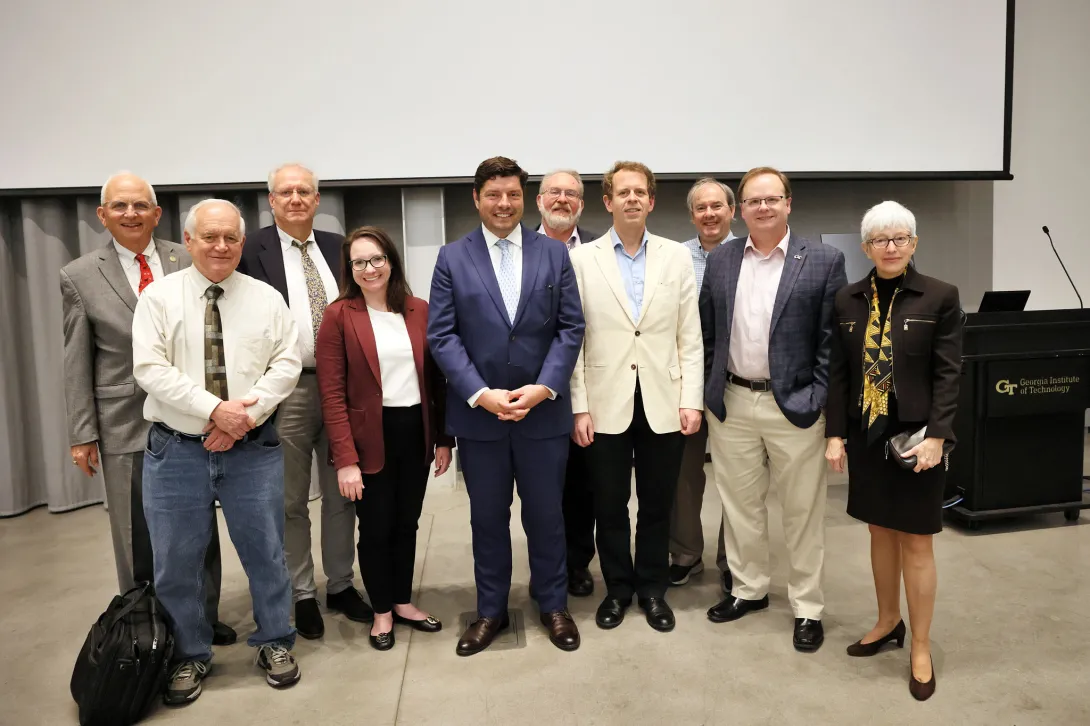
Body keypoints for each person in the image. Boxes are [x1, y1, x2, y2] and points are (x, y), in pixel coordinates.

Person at [133, 199, 302, 705]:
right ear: (188, 241)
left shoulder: (268, 299)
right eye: (210, 236)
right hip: (175, 453)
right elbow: (151, 369)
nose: (221, 246)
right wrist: (215, 410)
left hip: (252, 450)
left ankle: (275, 641)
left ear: (242, 242)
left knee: (268, 553)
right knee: (176, 563)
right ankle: (189, 653)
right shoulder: (158, 299)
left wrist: (242, 418)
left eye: (231, 237)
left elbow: (286, 365)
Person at [60, 172, 234, 645]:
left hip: (190, 416)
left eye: (141, 205)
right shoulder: (78, 275)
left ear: (159, 214)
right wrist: (82, 432)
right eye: (120, 206)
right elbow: (77, 359)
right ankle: (144, 628)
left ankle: (204, 615)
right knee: (136, 533)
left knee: (199, 524)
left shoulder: (190, 255)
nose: (131, 214)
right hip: (124, 423)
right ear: (102, 215)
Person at [427, 156, 585, 656]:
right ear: (477, 198)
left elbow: (570, 328)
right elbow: (443, 335)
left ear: (525, 198)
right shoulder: (452, 257)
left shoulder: (554, 255)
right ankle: (490, 610)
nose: (504, 204)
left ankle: (553, 605)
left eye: (513, 195)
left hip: (543, 415)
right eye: (494, 195)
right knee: (487, 520)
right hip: (481, 418)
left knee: (547, 517)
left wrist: (545, 387)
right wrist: (481, 393)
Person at [700, 166, 846, 653]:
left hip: (796, 406)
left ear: (788, 204)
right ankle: (749, 589)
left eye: (772, 199)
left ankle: (807, 606)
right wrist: (709, 390)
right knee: (740, 507)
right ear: (741, 209)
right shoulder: (721, 260)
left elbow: (832, 343)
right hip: (734, 401)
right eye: (753, 201)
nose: (762, 208)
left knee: (802, 511)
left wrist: (817, 397)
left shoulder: (824, 260)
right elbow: (705, 331)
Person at [825, 200, 962, 701]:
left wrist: (939, 436)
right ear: (865, 247)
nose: (890, 246)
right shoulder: (847, 299)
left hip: (919, 437)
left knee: (917, 540)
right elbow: (840, 374)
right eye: (880, 239)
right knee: (880, 531)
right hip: (868, 434)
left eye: (900, 237)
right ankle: (888, 622)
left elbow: (949, 373)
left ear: (914, 244)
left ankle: (920, 646)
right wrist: (835, 434)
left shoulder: (940, 296)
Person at [237, 163, 370, 639]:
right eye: (285, 192)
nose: (295, 199)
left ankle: (339, 584)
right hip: (283, 393)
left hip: (343, 391)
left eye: (304, 192)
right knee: (290, 499)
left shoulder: (340, 247)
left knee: (342, 494)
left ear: (317, 200)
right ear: (271, 201)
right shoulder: (250, 250)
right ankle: (301, 593)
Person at [569, 161, 703, 633]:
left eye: (639, 192)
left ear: (651, 200)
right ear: (607, 202)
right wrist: (579, 405)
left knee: (656, 503)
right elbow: (575, 339)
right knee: (608, 505)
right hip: (604, 402)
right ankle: (618, 590)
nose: (631, 199)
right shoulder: (582, 260)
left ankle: (651, 589)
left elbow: (690, 334)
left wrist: (692, 399)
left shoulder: (675, 257)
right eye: (621, 192)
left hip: (664, 400)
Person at [316, 226, 454, 651]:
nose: (369, 268)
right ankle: (380, 612)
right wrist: (346, 459)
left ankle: (401, 600)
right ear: (350, 269)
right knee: (375, 529)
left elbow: (437, 380)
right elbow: (332, 394)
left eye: (376, 259)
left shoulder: (419, 310)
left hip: (414, 432)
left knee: (406, 524)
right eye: (359, 262)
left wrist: (445, 438)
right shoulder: (339, 315)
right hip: (366, 438)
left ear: (391, 261)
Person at [669, 177, 737, 592]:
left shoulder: (750, 254)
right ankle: (685, 554)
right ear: (691, 214)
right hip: (684, 383)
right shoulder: (675, 257)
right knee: (683, 475)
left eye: (717, 206)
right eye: (701, 208)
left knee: (737, 475)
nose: (709, 214)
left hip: (733, 384)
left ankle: (734, 557)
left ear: (733, 210)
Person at [535, 168, 598, 598]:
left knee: (581, 488)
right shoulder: (519, 248)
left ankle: (577, 562)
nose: (563, 199)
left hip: (589, 388)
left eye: (571, 193)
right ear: (538, 199)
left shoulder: (600, 249)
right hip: (534, 389)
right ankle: (547, 565)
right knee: (542, 491)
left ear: (582, 202)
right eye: (554, 192)